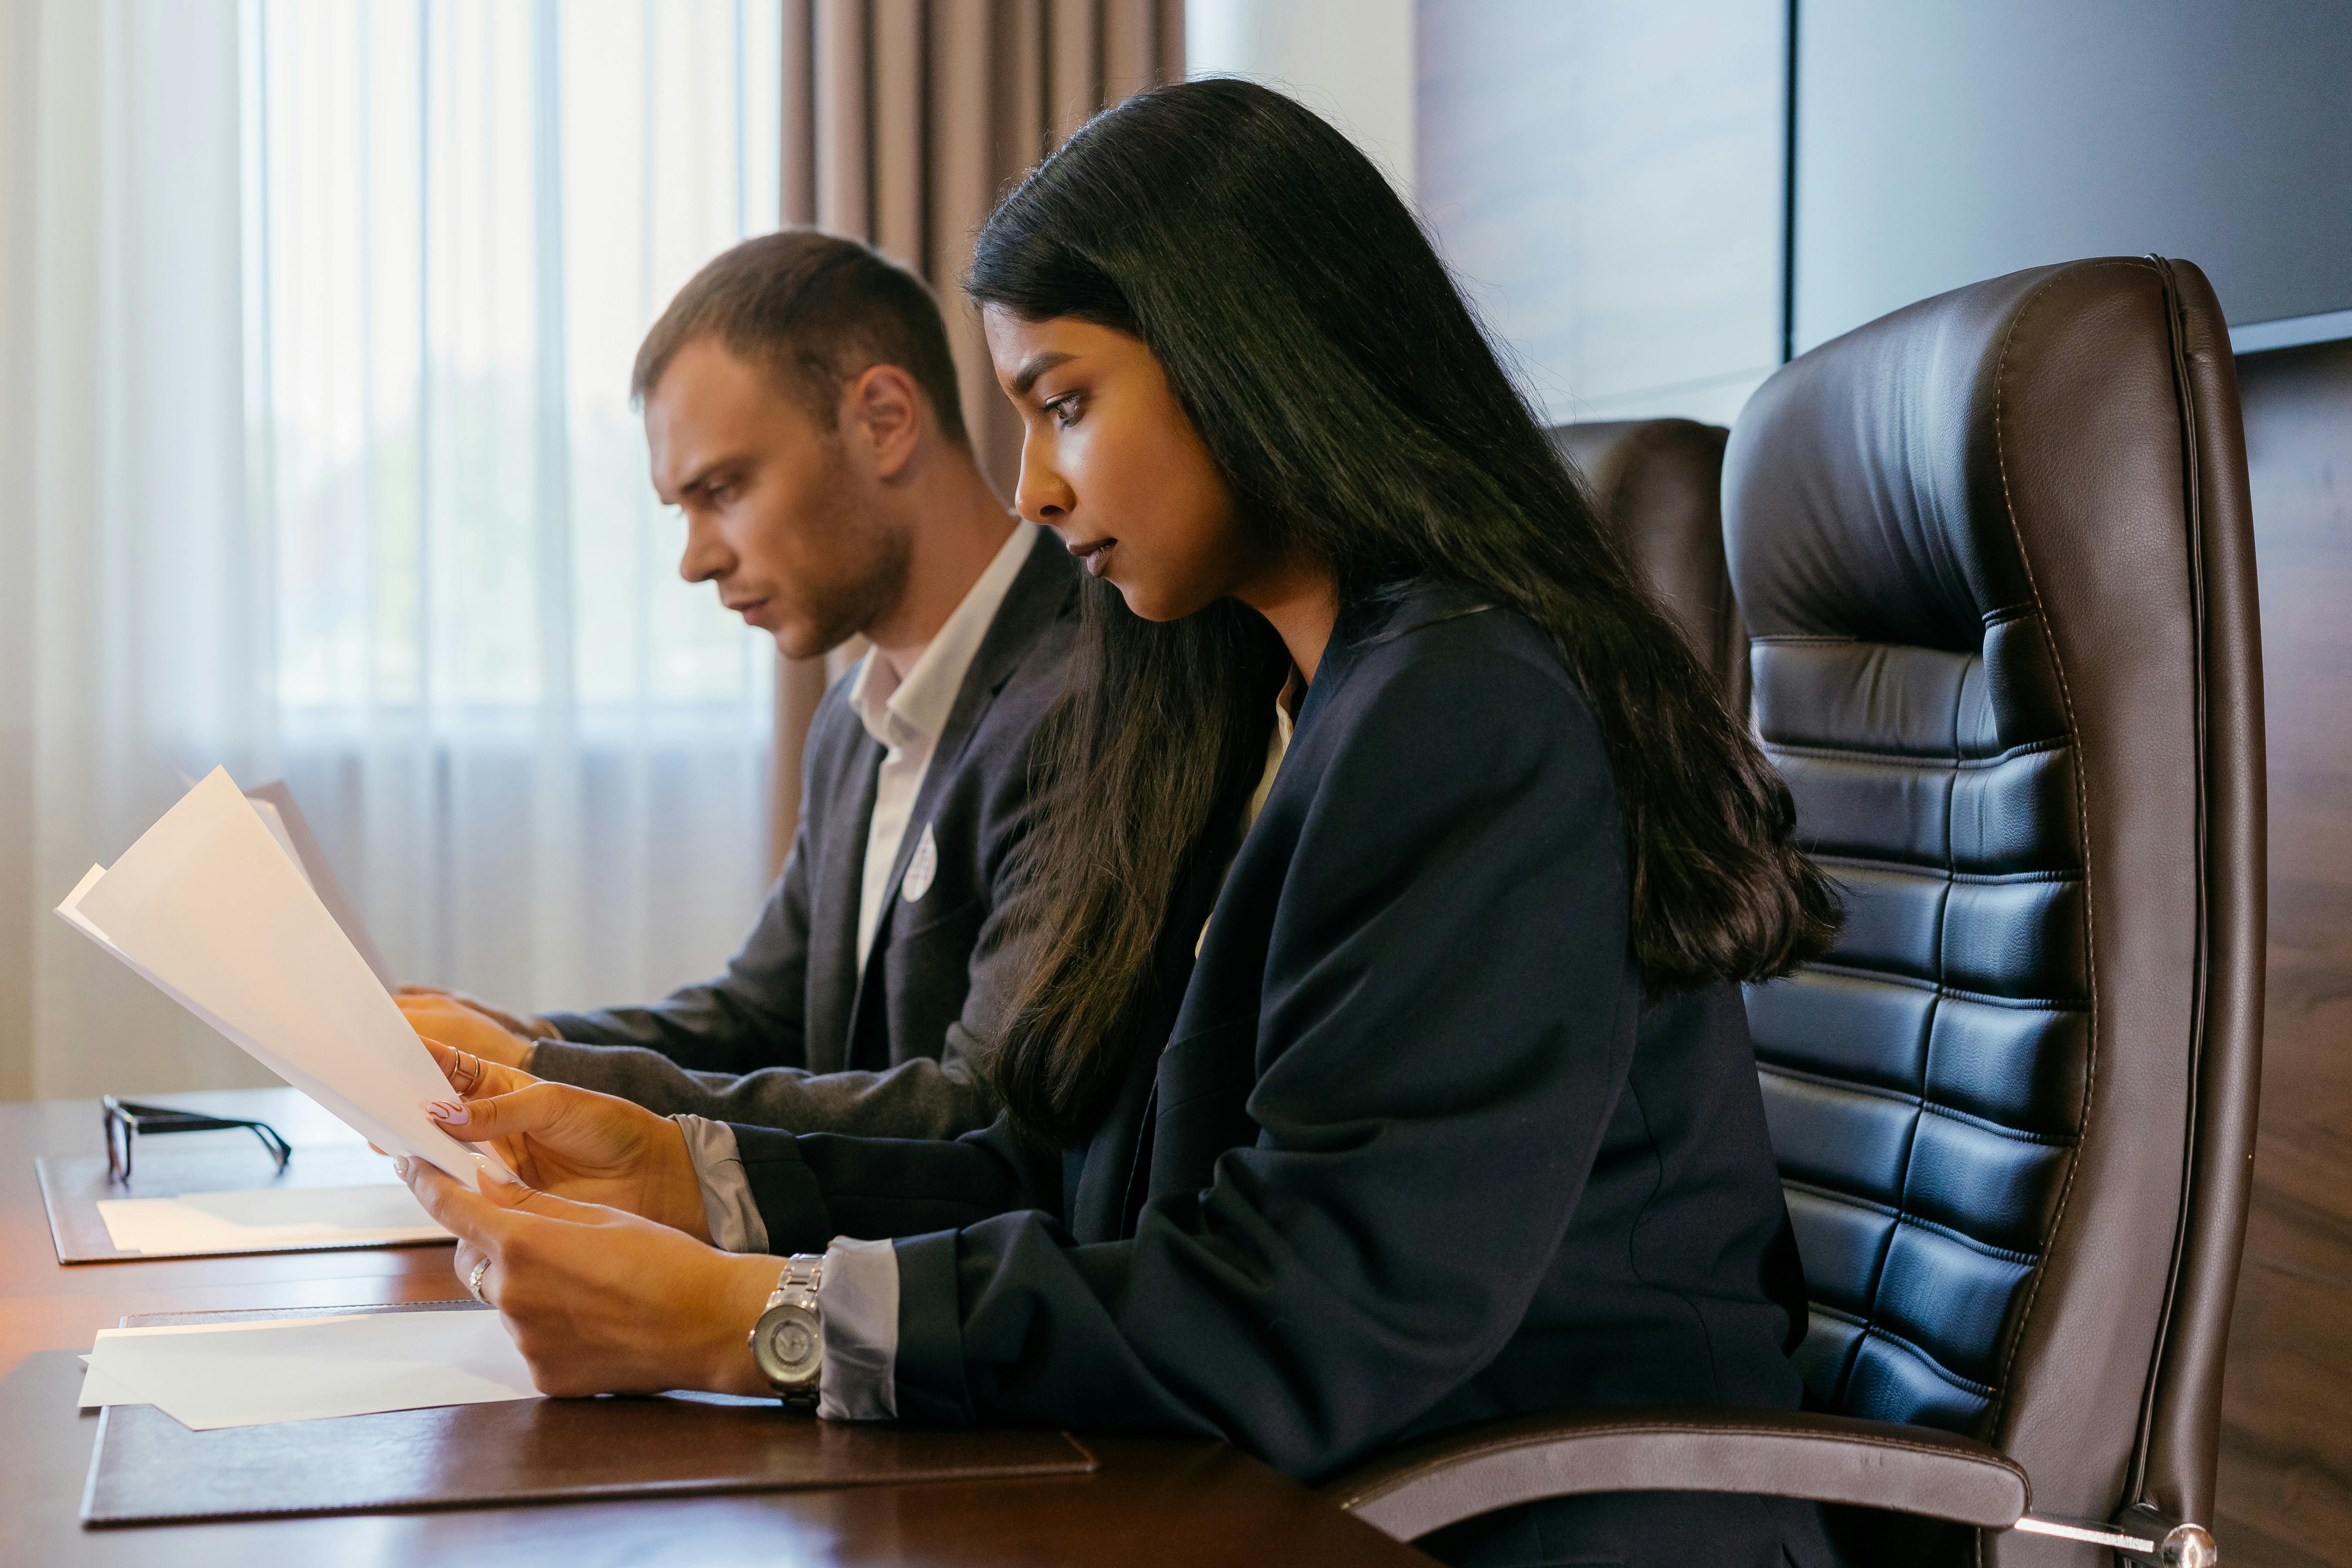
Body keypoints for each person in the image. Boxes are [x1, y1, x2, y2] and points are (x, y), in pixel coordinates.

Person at [397, 79, 1847, 1568]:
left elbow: (1308, 1306)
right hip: (1314, 1488)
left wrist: (753, 1324)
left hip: (1538, 1521)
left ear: (1252, 359)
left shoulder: (1468, 715)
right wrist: (684, 1172)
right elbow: (1067, 1157)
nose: (1030, 486)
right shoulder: (1251, 699)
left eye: (1067, 402)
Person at [400, 231, 1078, 1140]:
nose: (696, 560)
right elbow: (763, 1016)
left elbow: (981, 1113)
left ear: (884, 420)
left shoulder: (1079, 693)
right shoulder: (854, 724)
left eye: (721, 489)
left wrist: (537, 1074)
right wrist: (518, 1044)